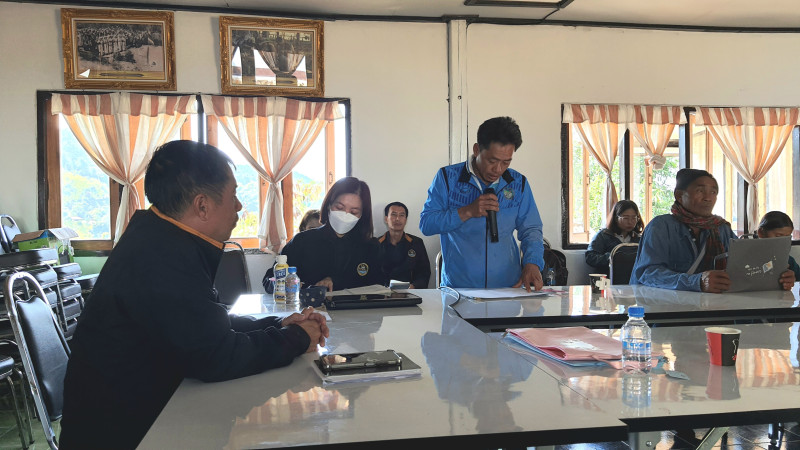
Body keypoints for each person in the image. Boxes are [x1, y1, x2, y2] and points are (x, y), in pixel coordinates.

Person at [59, 141, 328, 449]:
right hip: (126, 435)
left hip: (142, 415)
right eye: (233, 195)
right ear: (202, 206)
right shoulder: (161, 258)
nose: (239, 206)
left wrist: (279, 325)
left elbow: (204, 325)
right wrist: (297, 338)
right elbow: (217, 356)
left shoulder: (159, 238)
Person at [420, 116, 545, 290]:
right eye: (492, 161)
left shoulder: (518, 183)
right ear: (477, 149)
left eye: (506, 162)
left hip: (507, 289)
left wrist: (532, 263)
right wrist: (467, 211)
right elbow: (427, 224)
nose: (498, 169)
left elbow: (531, 229)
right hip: (459, 289)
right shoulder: (448, 178)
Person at [630, 168, 795, 292]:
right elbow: (647, 273)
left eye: (713, 192)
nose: (708, 198)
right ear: (679, 195)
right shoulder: (661, 226)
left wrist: (776, 277)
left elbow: (745, 267)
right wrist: (697, 282)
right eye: (700, 191)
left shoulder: (721, 228)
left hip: (712, 307)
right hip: (662, 310)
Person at [262, 177, 385, 292]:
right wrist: (283, 284)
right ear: (329, 206)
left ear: (362, 215)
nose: (345, 215)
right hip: (309, 307)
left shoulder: (370, 247)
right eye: (339, 207)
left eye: (353, 212)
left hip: (353, 308)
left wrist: (336, 282)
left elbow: (378, 286)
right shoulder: (303, 241)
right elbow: (269, 280)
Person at [378, 201, 431, 288]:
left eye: (401, 215)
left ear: (406, 220)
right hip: (383, 293)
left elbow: (424, 273)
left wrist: (413, 286)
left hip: (409, 292)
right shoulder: (376, 244)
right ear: (386, 219)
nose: (397, 219)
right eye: (394, 214)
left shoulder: (416, 243)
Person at [585, 200, 643, 276]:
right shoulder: (603, 235)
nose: (630, 222)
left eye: (634, 218)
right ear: (616, 218)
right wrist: (613, 257)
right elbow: (590, 257)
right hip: (608, 279)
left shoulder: (639, 238)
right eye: (626, 218)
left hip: (632, 279)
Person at [756, 211, 800, 280]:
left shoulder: (788, 260)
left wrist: (793, 279)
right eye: (778, 236)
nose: (783, 242)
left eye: (787, 237)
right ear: (761, 233)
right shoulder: (748, 257)